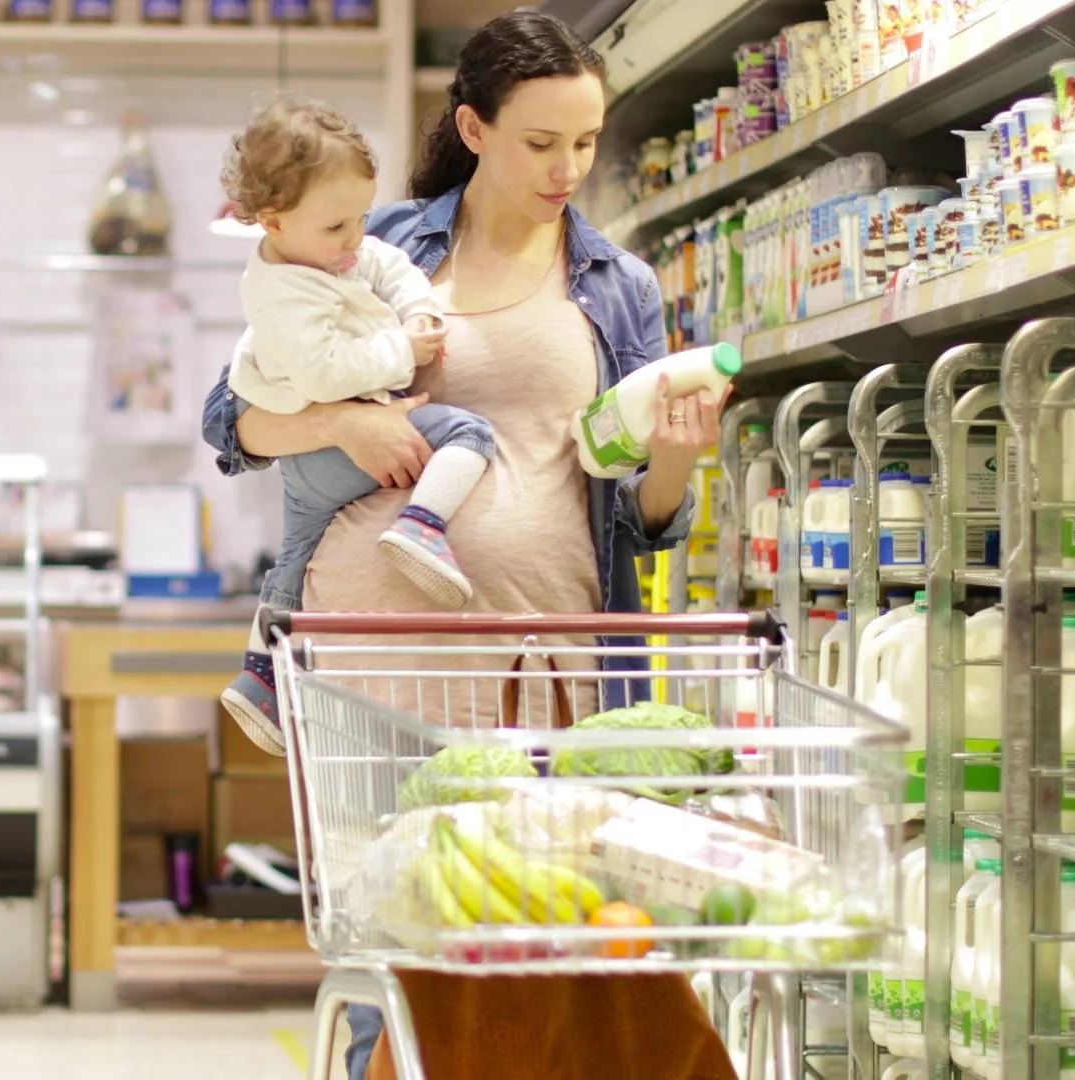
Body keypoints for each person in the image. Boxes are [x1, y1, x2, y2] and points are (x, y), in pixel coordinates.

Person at [199, 11, 734, 1080]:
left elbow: (641, 514)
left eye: (585, 142)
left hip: (553, 657)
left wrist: (677, 457)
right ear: (475, 129)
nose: (567, 169)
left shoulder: (618, 286)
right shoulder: (373, 243)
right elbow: (232, 420)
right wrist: (342, 424)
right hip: (382, 663)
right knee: (398, 953)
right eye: (541, 142)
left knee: (558, 954)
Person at [215, 99, 499, 758]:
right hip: (324, 446)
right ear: (273, 220)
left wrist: (418, 310)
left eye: (363, 218)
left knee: (296, 557)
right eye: (338, 225)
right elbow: (324, 374)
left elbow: (388, 266)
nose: (354, 239)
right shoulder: (283, 295)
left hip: (310, 458)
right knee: (468, 434)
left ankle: (261, 676)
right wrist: (405, 348)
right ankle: (423, 524)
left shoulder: (326, 252)